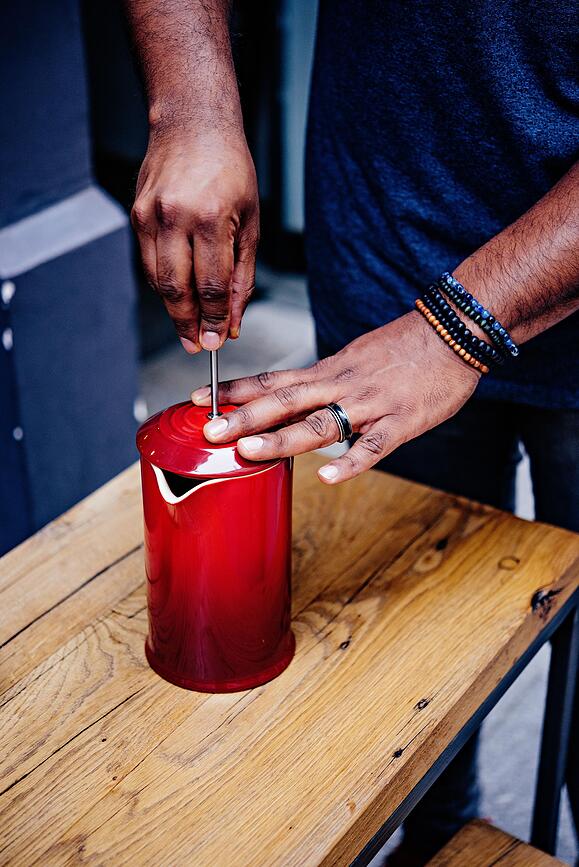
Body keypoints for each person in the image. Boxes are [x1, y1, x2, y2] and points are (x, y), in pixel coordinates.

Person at [125, 1, 578, 862]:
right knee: (411, 645)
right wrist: (189, 100)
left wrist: (457, 326)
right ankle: (438, 833)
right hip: (379, 259)